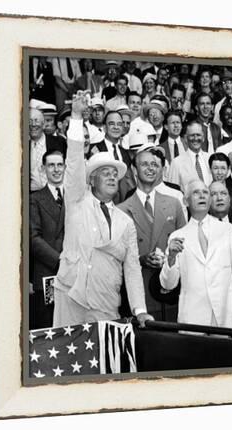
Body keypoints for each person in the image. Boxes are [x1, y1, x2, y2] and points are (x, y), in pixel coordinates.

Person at [53, 92, 153, 327]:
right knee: (69, 362)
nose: (111, 177)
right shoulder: (77, 200)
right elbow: (75, 162)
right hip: (71, 297)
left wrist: (140, 310)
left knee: (103, 362)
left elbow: (132, 268)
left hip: (106, 302)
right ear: (92, 180)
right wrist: (77, 117)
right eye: (104, 173)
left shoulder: (125, 221)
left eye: (114, 175)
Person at [160, 179, 232, 328]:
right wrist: (171, 257)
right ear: (186, 201)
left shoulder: (227, 230)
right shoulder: (177, 236)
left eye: (205, 192)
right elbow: (169, 284)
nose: (202, 196)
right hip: (192, 317)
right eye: (196, 193)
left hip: (225, 312)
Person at [118, 145, 187, 321]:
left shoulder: (174, 203)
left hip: (171, 290)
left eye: (154, 165)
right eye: (144, 164)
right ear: (134, 169)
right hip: (140, 292)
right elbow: (119, 256)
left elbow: (186, 246)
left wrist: (169, 258)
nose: (150, 168)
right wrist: (142, 258)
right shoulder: (121, 210)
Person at [30, 149, 66, 329]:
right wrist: (59, 261)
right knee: (50, 325)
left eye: (60, 165)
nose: (56, 169)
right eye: (51, 165)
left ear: (65, 167)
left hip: (73, 273)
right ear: (43, 169)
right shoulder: (35, 199)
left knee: (71, 324)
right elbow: (33, 238)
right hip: (48, 273)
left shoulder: (75, 197)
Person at [89, 109, 135, 203]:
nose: (116, 127)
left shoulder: (125, 153)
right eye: (112, 124)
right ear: (105, 127)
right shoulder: (94, 149)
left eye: (119, 124)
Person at [167, 121, 212, 192]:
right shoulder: (177, 163)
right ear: (185, 139)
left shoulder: (210, 158)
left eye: (198, 135)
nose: (195, 138)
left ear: (203, 138)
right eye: (192, 135)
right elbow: (172, 192)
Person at [29, 108, 67, 192]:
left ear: (43, 125)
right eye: (30, 121)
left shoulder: (59, 142)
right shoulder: (22, 148)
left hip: (57, 192)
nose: (33, 124)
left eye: (36, 121)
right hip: (32, 195)